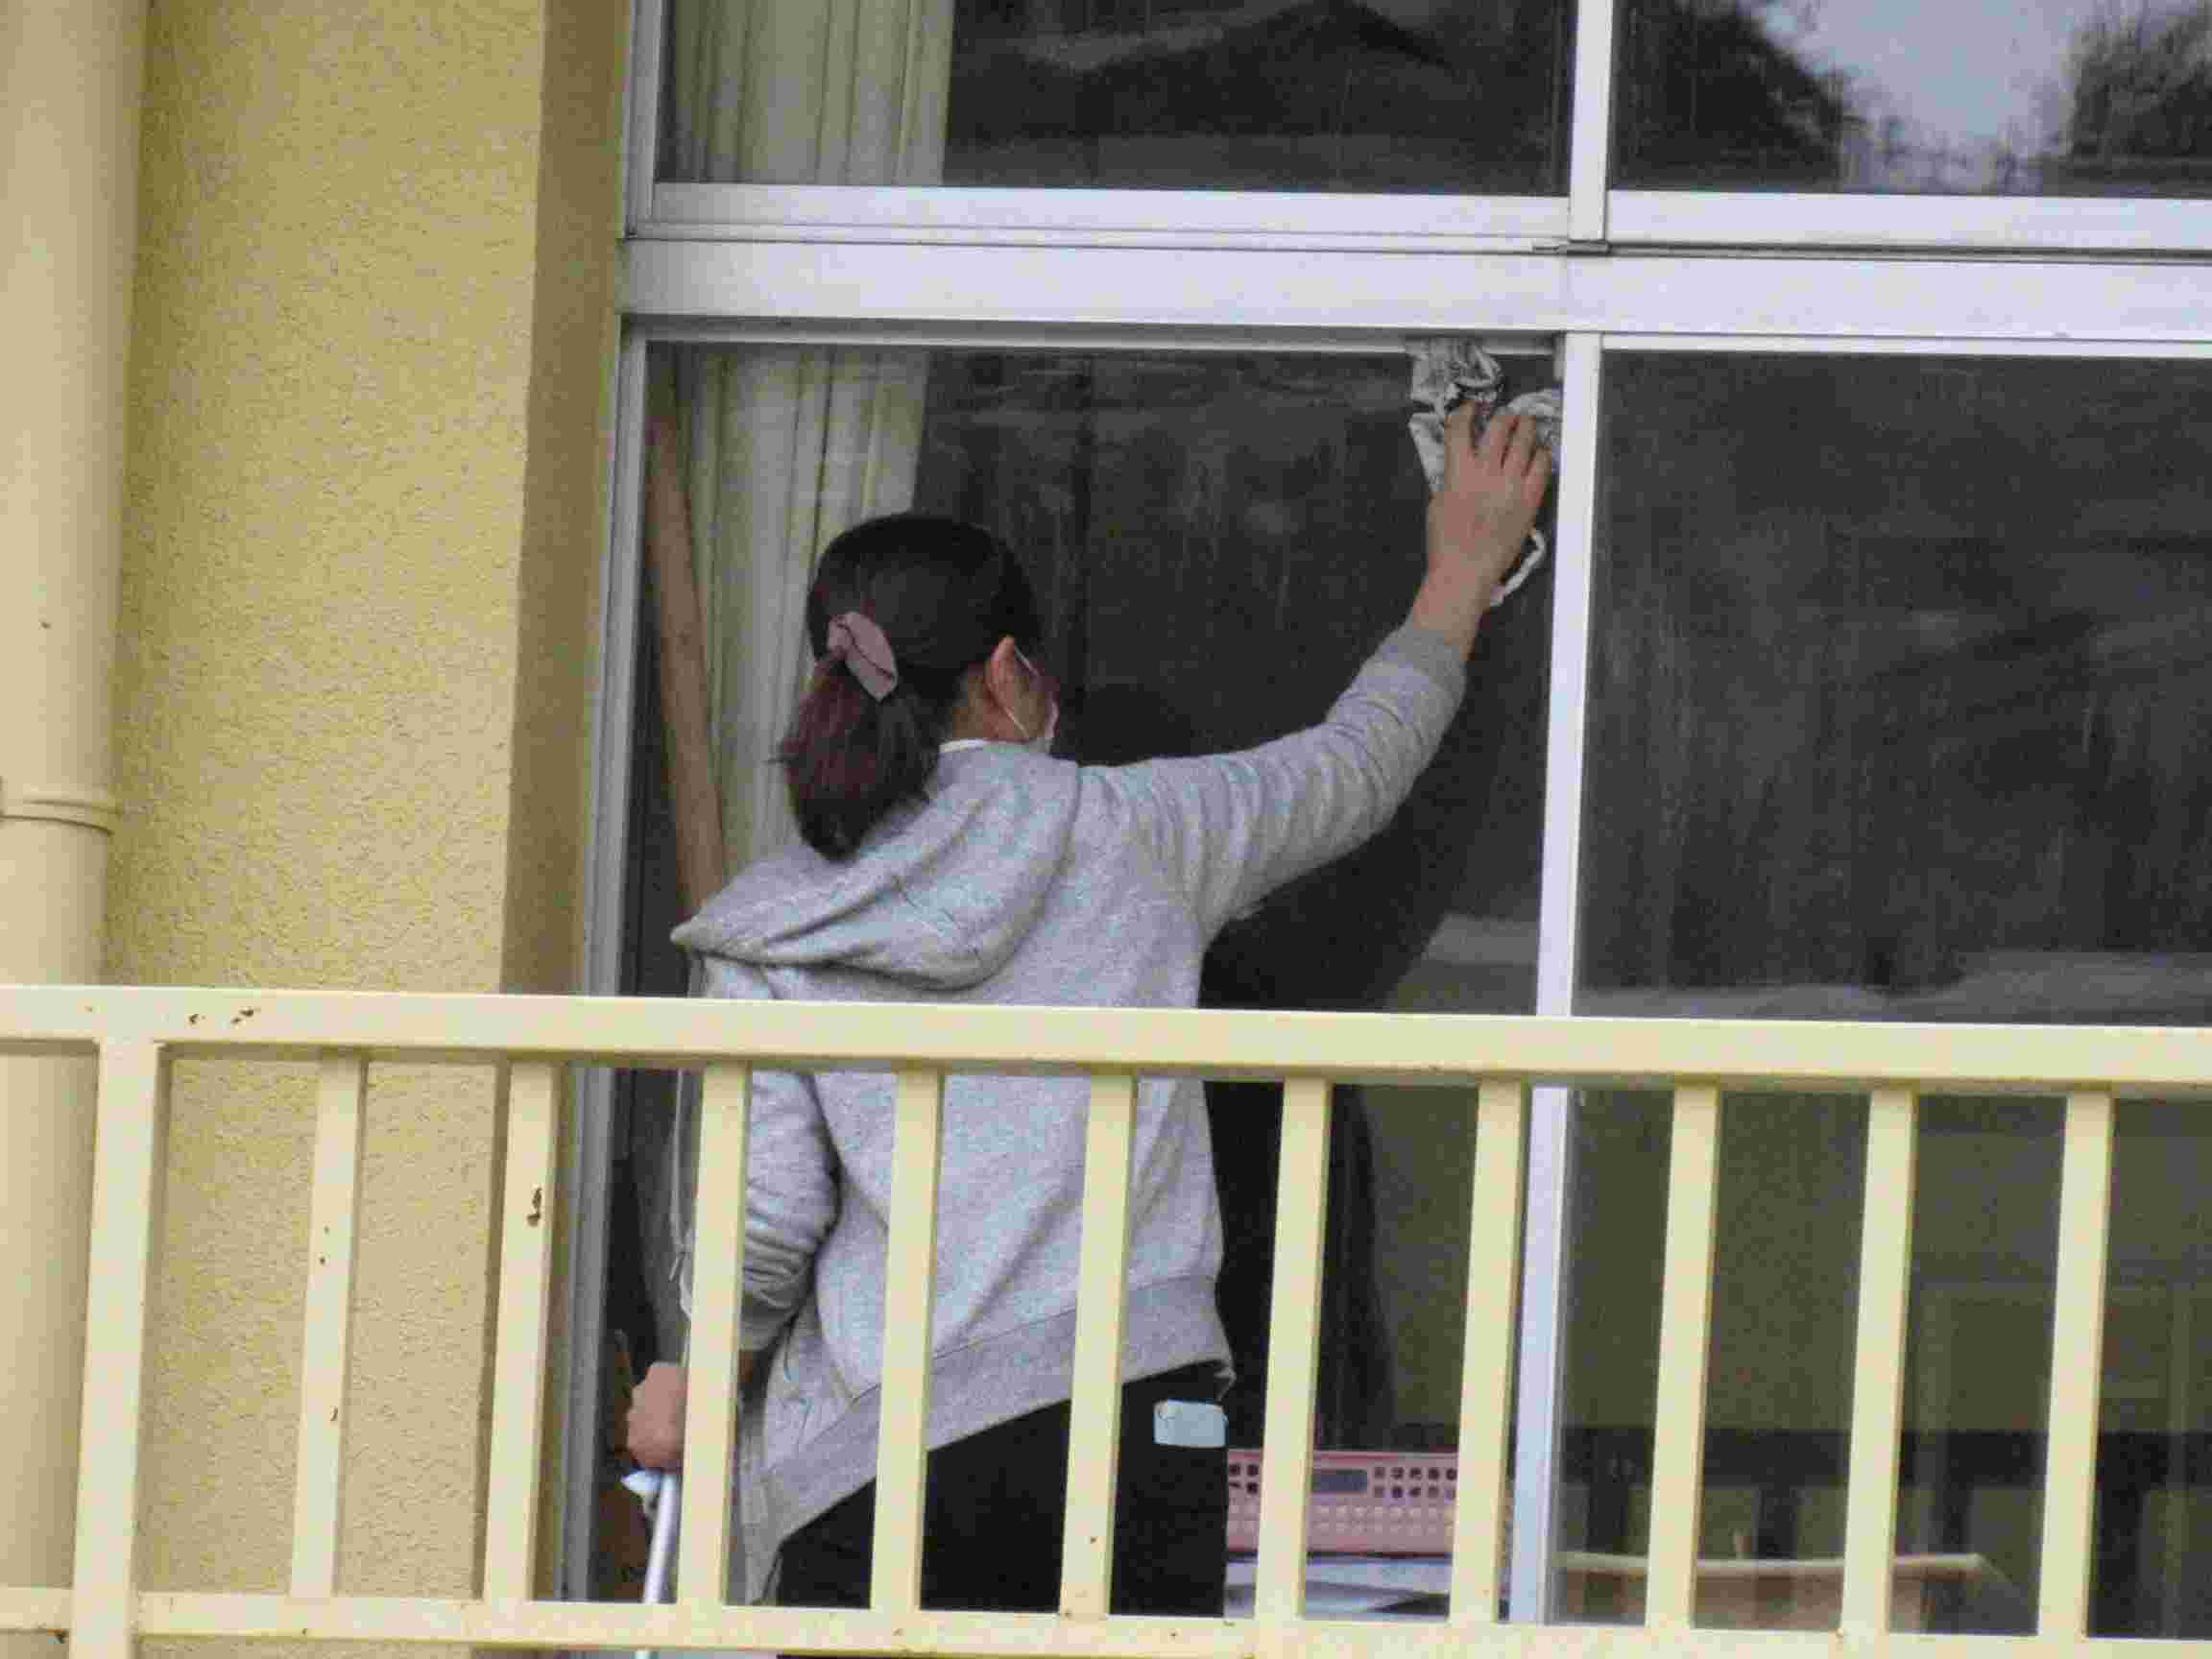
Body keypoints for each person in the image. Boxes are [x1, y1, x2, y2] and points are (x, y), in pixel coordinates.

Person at [625, 401, 1551, 1620]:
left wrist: (694, 1373)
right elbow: (1357, 765)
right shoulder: (1137, 833)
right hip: (1130, 1429)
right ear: (1009, 676)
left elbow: (765, 1224)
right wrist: (1461, 571)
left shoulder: (779, 920)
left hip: (878, 1455)